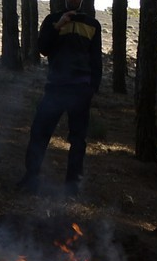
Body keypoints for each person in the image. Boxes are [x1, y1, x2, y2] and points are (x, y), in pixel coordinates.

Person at [17, 0, 103, 196]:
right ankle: (31, 177)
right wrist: (58, 26)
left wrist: (93, 88)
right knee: (39, 131)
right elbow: (43, 48)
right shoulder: (52, 19)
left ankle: (73, 186)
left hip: (80, 90)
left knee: (78, 139)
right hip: (55, 87)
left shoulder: (92, 24)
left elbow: (95, 59)